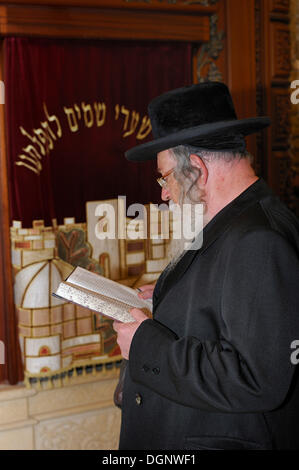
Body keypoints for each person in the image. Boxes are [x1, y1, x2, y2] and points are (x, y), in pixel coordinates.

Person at [113, 82, 299, 450]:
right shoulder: (236, 221)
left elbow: (255, 376)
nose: (164, 192)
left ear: (195, 169)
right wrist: (167, 302)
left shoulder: (258, 240)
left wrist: (144, 344)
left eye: (165, 177)